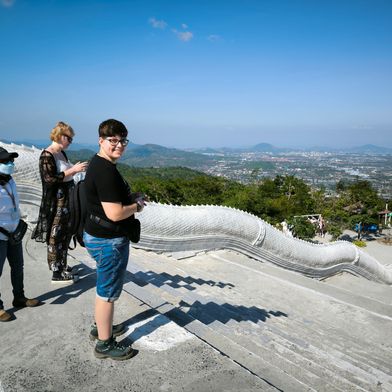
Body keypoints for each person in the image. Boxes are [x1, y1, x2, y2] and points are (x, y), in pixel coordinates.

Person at [83, 119, 147, 360]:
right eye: (113, 140)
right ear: (101, 140)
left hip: (97, 234)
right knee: (107, 292)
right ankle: (104, 342)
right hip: (109, 241)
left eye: (122, 141)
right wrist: (137, 206)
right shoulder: (105, 171)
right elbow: (115, 213)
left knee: (104, 288)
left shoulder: (98, 163)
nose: (118, 145)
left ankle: (101, 326)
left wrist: (129, 197)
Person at [31, 122, 87, 284]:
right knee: (55, 234)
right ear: (61, 136)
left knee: (65, 233)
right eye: (69, 138)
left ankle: (62, 265)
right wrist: (73, 170)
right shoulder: (47, 155)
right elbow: (49, 180)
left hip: (67, 199)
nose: (70, 141)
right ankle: (56, 271)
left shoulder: (61, 153)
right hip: (56, 201)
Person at [0, 147, 40, 322]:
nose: (10, 164)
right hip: (0, 235)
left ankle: (19, 297)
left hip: (13, 232)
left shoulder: (10, 181)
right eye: (5, 161)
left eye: (11, 161)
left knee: (18, 267)